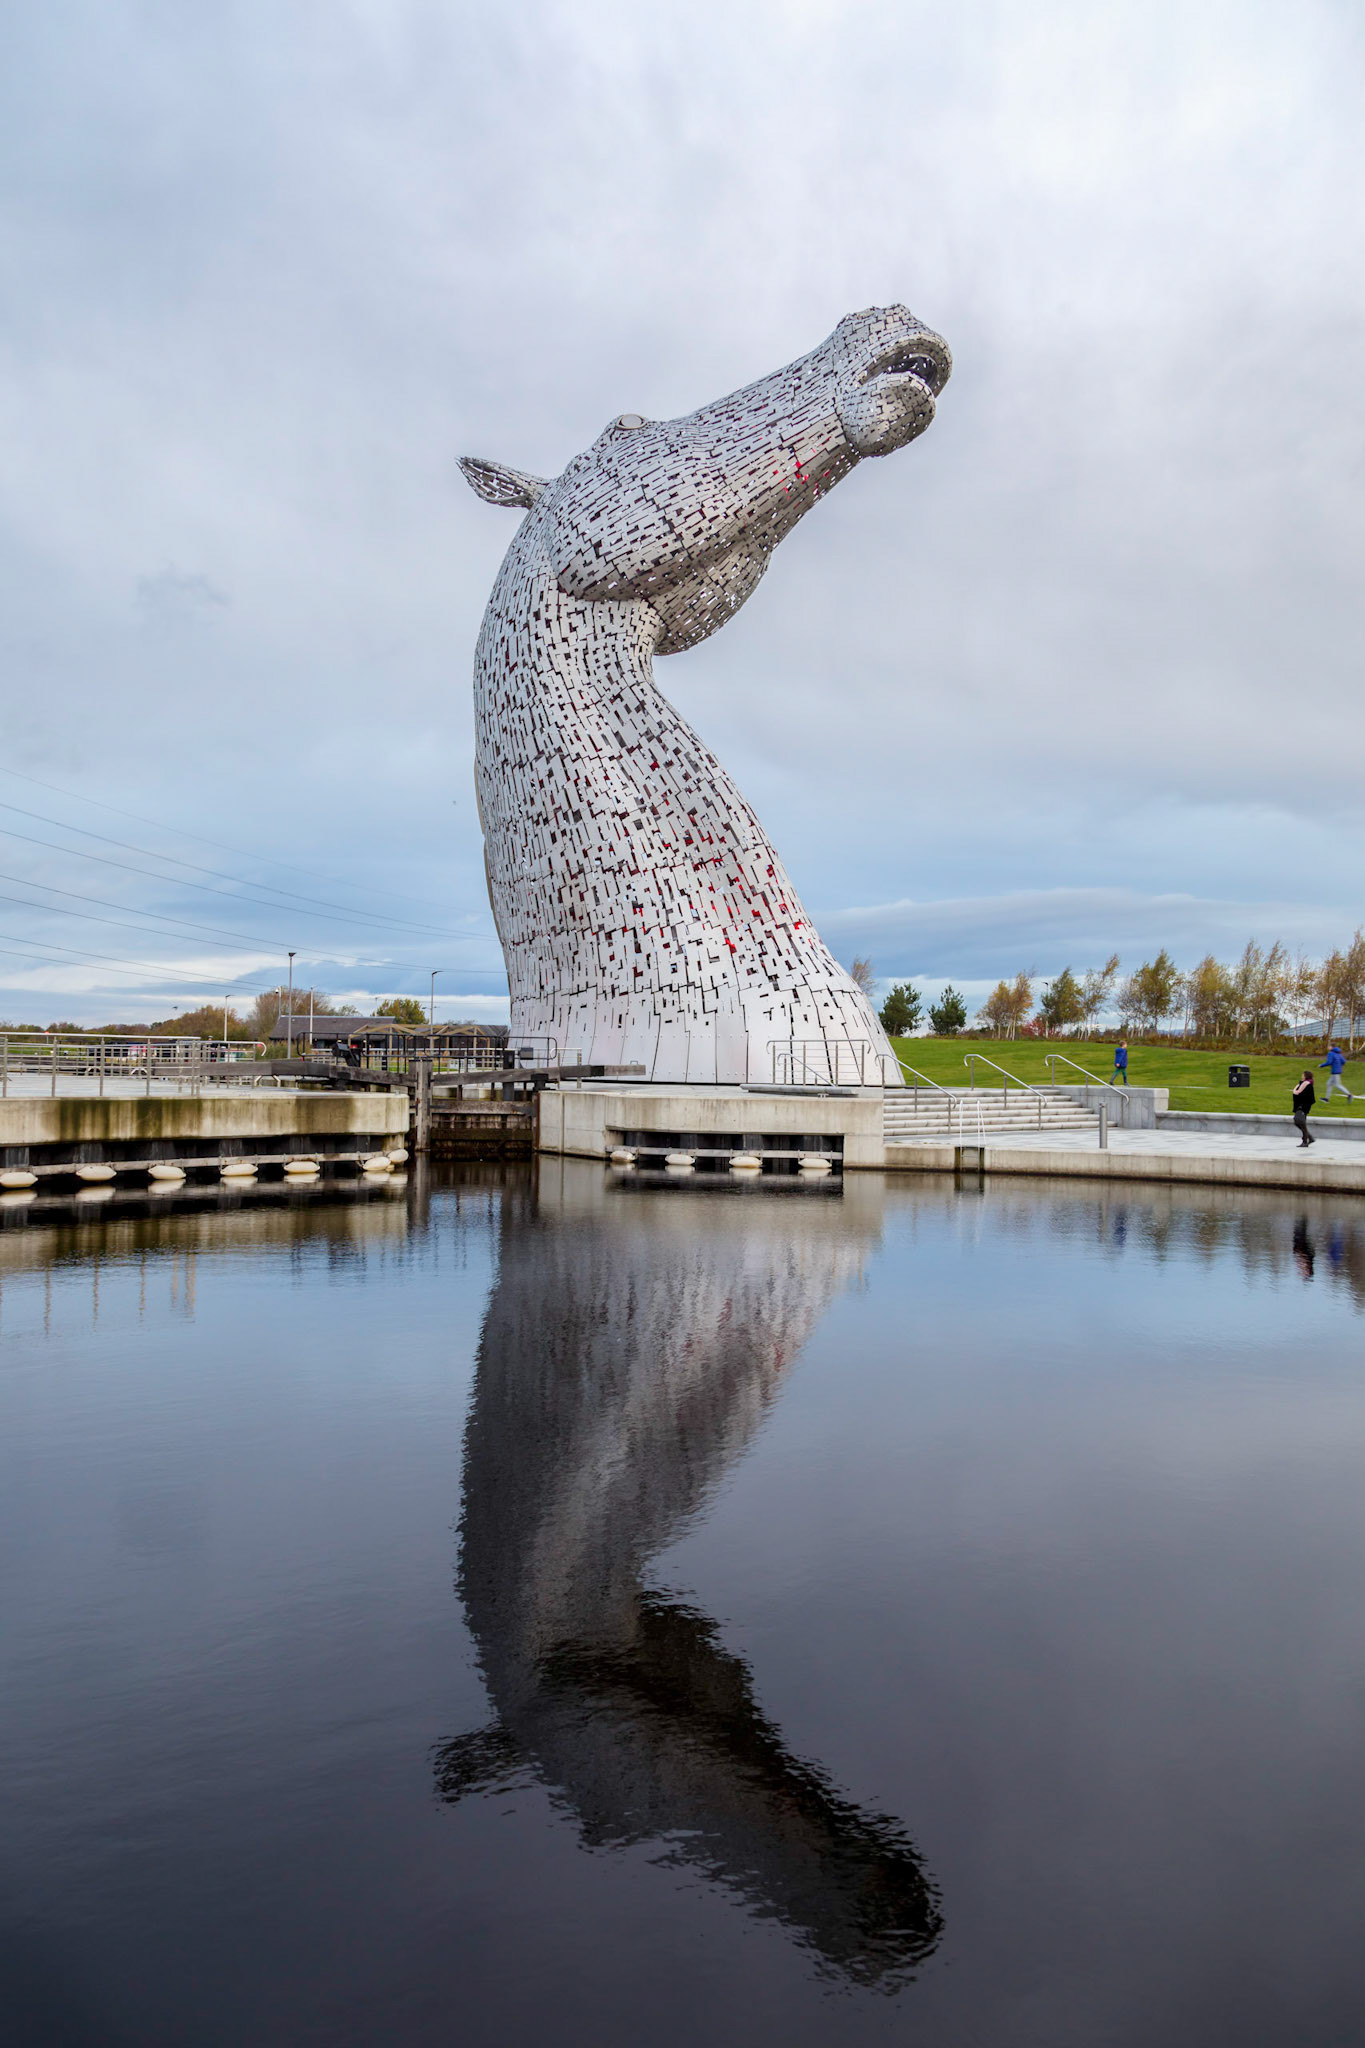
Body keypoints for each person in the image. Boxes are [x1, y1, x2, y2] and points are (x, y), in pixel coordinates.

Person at [1291, 1068, 1316, 1146]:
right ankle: (1309, 1138)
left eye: (1303, 1074)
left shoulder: (1306, 1084)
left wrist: (1295, 1090)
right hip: (1302, 1105)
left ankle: (1306, 1140)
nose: (1302, 1076)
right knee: (1299, 1122)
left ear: (1306, 1076)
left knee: (1299, 1121)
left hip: (1303, 1106)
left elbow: (1298, 1093)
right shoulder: (1304, 1084)